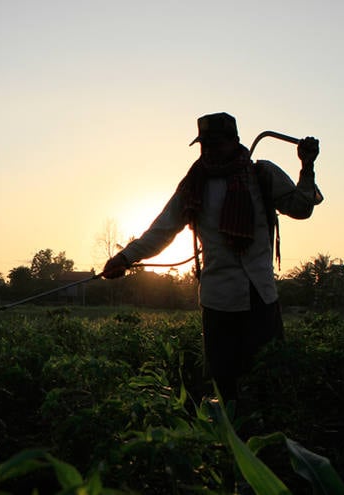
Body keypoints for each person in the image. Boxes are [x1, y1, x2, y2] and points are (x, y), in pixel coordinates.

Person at [102, 112, 323, 401]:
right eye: (205, 145)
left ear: (234, 142)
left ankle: (268, 440)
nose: (210, 152)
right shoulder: (194, 185)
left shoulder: (262, 175)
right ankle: (230, 439)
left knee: (269, 380)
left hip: (261, 298)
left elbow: (301, 208)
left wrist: (307, 167)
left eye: (216, 144)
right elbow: (162, 230)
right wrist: (125, 258)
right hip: (218, 301)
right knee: (225, 385)